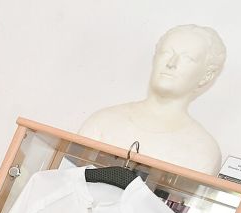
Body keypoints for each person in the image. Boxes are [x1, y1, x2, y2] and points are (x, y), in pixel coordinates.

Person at [79, 24, 227, 174]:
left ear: (207, 75)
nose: (171, 64)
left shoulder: (202, 150)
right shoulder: (102, 122)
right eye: (166, 53)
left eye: (187, 59)